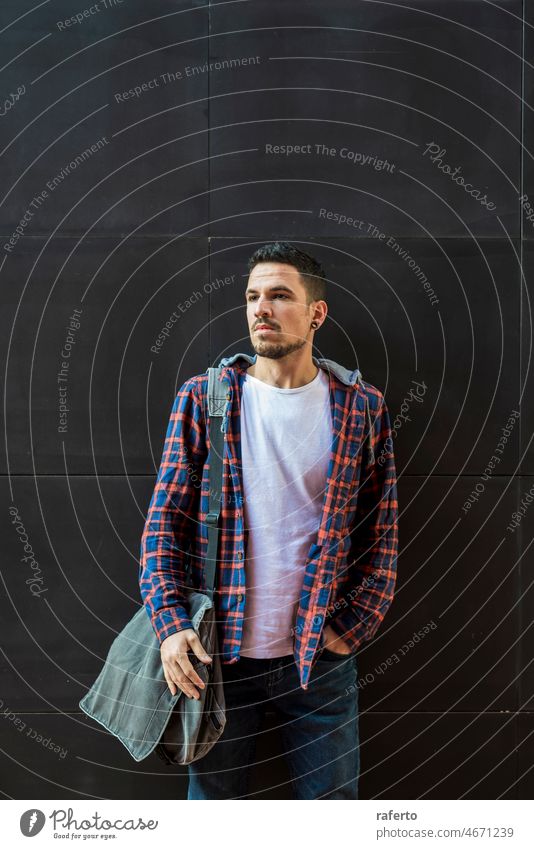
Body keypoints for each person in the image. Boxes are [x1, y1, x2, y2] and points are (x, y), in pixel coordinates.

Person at [139, 241, 399, 799]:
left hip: (317, 662)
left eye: (280, 295)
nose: (262, 308)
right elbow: (164, 526)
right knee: (213, 822)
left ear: (316, 313)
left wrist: (349, 631)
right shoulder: (205, 398)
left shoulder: (361, 407)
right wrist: (169, 625)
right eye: (253, 296)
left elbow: (382, 536)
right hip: (217, 660)